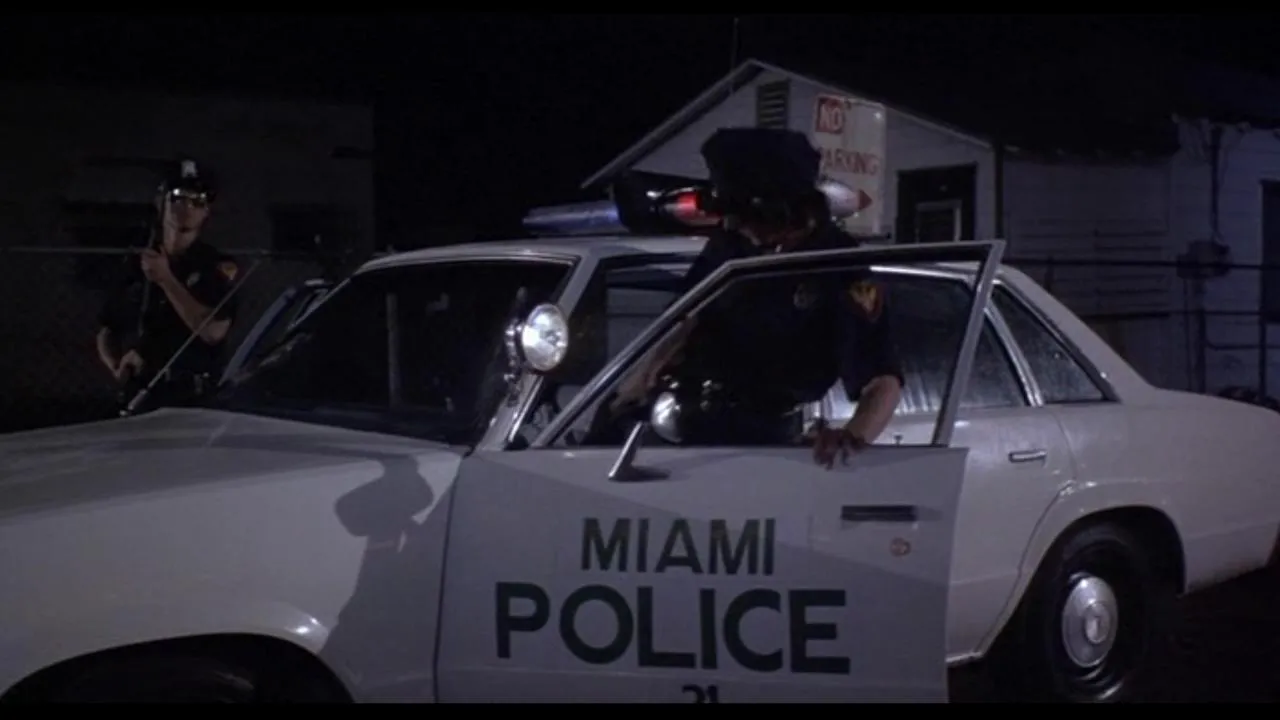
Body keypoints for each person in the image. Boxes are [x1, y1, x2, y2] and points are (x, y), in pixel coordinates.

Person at [610, 127, 904, 468]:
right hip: (675, 423)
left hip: (760, 442)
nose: (731, 225)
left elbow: (881, 379)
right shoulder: (732, 245)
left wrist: (850, 440)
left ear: (780, 208)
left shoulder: (839, 267)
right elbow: (684, 319)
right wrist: (628, 392)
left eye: (741, 213)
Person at [95, 158, 241, 410]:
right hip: (140, 391)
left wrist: (166, 279)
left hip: (192, 397)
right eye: (178, 197)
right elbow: (107, 329)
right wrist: (117, 365)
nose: (187, 207)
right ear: (161, 201)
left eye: (198, 201)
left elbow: (212, 331)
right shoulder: (138, 262)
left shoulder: (213, 266)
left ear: (206, 211)